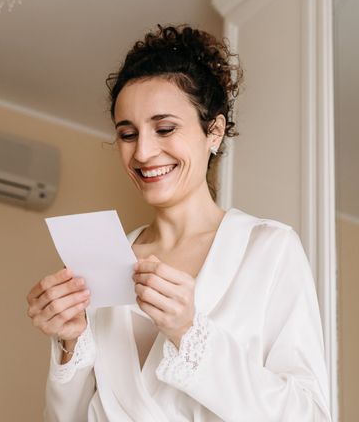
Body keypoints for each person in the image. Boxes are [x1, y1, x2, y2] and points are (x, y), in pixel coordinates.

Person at [26, 25, 332, 421]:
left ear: (214, 132)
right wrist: (70, 342)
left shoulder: (268, 249)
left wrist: (190, 333)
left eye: (165, 128)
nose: (144, 152)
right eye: (127, 134)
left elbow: (308, 416)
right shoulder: (104, 259)